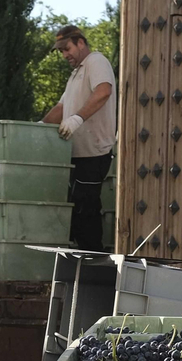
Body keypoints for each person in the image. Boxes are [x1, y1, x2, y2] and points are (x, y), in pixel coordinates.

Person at [42, 25, 117, 252]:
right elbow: (61, 108)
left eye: (67, 48)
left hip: (94, 153)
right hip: (76, 154)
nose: (65, 55)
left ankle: (94, 259)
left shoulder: (96, 62)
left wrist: (77, 119)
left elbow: (104, 91)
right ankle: (84, 258)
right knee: (77, 208)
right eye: (61, 51)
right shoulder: (76, 74)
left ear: (80, 43)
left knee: (86, 207)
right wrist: (37, 128)